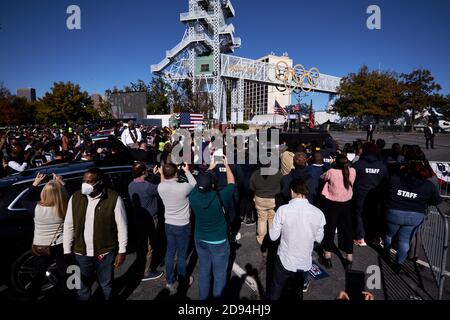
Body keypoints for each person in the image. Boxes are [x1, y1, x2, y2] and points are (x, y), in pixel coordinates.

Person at [63, 167, 128, 300]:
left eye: (90, 181)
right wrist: (66, 250)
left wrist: (122, 251)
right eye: (84, 180)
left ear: (99, 182)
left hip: (105, 253)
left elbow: (122, 226)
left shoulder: (113, 199)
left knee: (106, 285)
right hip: (81, 254)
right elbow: (69, 225)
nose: (85, 184)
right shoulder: (75, 198)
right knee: (82, 287)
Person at [269, 179, 326, 300]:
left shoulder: (283, 210)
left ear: (291, 191)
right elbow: (319, 238)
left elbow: (273, 236)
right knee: (297, 292)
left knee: (277, 290)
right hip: (304, 261)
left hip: (285, 258)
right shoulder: (318, 213)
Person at [189, 157, 236, 300]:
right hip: (218, 241)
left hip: (200, 239)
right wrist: (227, 166)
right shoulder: (220, 197)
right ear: (213, 186)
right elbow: (232, 183)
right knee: (219, 273)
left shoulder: (193, 195)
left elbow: (202, 183)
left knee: (204, 270)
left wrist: (209, 168)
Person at [384, 161, 441, 271]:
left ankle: (386, 253)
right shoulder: (428, 185)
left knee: (389, 235)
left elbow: (386, 192)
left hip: (394, 213)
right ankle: (399, 263)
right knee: (404, 240)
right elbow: (436, 200)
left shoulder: (395, 179)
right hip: (415, 216)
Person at [21, 173, 69, 298]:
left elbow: (24, 200)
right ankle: (70, 295)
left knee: (38, 275)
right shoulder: (66, 207)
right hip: (61, 244)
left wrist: (35, 183)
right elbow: (71, 199)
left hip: (41, 245)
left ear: (43, 193)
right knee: (68, 272)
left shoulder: (35, 208)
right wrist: (61, 184)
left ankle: (31, 296)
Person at [157, 163, 197, 294]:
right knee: (181, 254)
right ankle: (182, 279)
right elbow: (194, 183)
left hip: (169, 223)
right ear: (176, 174)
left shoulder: (160, 187)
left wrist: (162, 173)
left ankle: (169, 280)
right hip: (183, 224)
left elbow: (164, 181)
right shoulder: (183, 187)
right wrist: (187, 171)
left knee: (169, 252)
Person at [319, 154, 356, 270]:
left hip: (332, 203)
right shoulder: (353, 171)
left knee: (329, 229)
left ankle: (327, 256)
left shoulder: (331, 172)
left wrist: (331, 166)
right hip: (346, 203)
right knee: (347, 230)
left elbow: (322, 177)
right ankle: (349, 258)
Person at [128, 163, 164, 281]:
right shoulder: (148, 186)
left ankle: (140, 265)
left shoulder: (131, 185)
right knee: (149, 246)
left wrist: (153, 175)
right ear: (143, 172)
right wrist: (162, 173)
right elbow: (162, 187)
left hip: (138, 218)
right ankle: (146, 272)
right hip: (150, 219)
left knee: (142, 243)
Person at [352, 143, 388, 247]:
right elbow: (386, 181)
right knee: (375, 215)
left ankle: (360, 237)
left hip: (360, 194)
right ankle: (374, 237)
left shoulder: (358, 165)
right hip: (376, 194)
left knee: (359, 214)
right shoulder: (382, 165)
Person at [250, 162, 283, 247]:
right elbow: (282, 185)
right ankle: (272, 238)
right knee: (272, 218)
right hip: (273, 199)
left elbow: (251, 187)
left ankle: (261, 239)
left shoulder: (255, 174)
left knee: (262, 219)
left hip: (260, 199)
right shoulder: (278, 173)